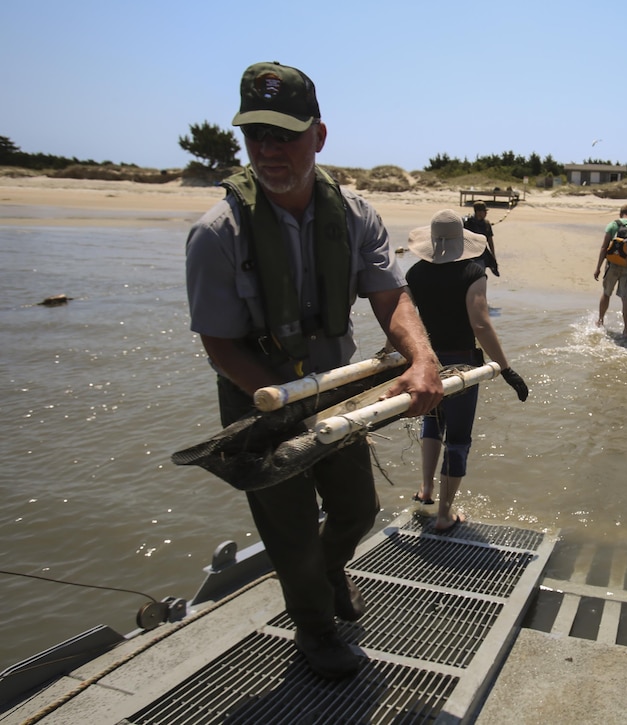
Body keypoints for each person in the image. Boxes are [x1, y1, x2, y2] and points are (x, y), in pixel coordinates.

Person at [184, 61, 444, 680]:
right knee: (291, 527)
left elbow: (391, 297)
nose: (269, 151)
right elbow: (220, 344)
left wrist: (424, 359)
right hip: (260, 399)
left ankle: (328, 573)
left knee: (358, 508)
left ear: (318, 136)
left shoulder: (353, 215)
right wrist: (282, 406)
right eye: (256, 136)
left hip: (338, 387)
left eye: (285, 134)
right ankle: (315, 627)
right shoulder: (216, 235)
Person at [405, 210, 529, 531]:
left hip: (428, 363)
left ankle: (427, 490)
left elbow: (406, 322)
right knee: (458, 439)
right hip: (461, 366)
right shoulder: (473, 271)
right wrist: (505, 367)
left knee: (432, 424)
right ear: (463, 240)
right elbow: (480, 322)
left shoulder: (416, 273)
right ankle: (444, 515)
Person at [593, 204, 627, 338]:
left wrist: (598, 267)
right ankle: (626, 330)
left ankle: (600, 320)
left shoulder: (613, 225)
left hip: (612, 265)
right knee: (626, 299)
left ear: (620, 213)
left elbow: (604, 247)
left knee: (606, 294)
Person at [463, 201, 499, 277]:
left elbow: (490, 241)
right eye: (484, 211)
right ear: (478, 212)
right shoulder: (467, 223)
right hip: (468, 256)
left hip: (481, 256)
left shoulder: (486, 224)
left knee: (480, 275)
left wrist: (493, 255)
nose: (486, 213)